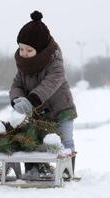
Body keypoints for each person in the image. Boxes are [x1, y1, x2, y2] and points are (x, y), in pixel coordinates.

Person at [9, 10, 77, 178]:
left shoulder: (54, 62)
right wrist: (17, 99)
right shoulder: (24, 66)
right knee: (30, 139)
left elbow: (53, 81)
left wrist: (32, 99)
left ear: (40, 50)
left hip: (61, 109)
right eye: (21, 49)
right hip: (38, 112)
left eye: (28, 50)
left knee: (65, 140)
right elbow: (17, 84)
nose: (23, 54)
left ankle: (67, 172)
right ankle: (32, 170)